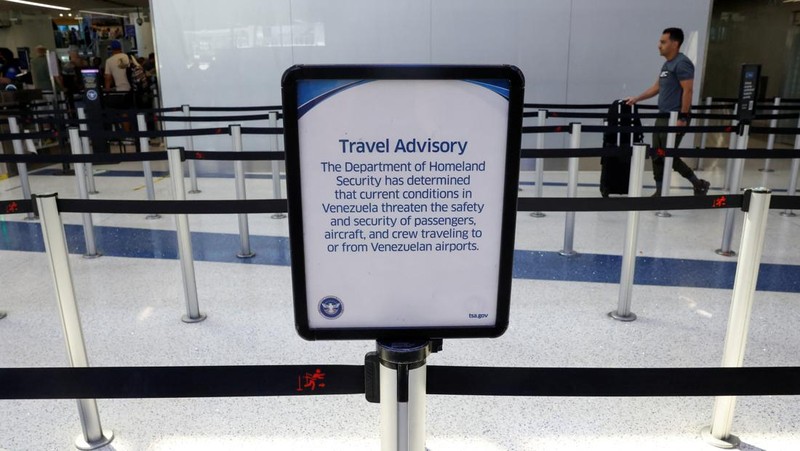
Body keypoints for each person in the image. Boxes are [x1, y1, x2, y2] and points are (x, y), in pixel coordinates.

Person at [626, 27, 709, 197]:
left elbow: (688, 91)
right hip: (662, 116)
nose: (659, 45)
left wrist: (683, 117)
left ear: (675, 43)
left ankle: (698, 183)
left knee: (668, 155)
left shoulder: (682, 63)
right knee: (657, 154)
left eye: (663, 42)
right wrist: (637, 98)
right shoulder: (667, 64)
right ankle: (660, 190)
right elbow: (657, 87)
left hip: (674, 117)